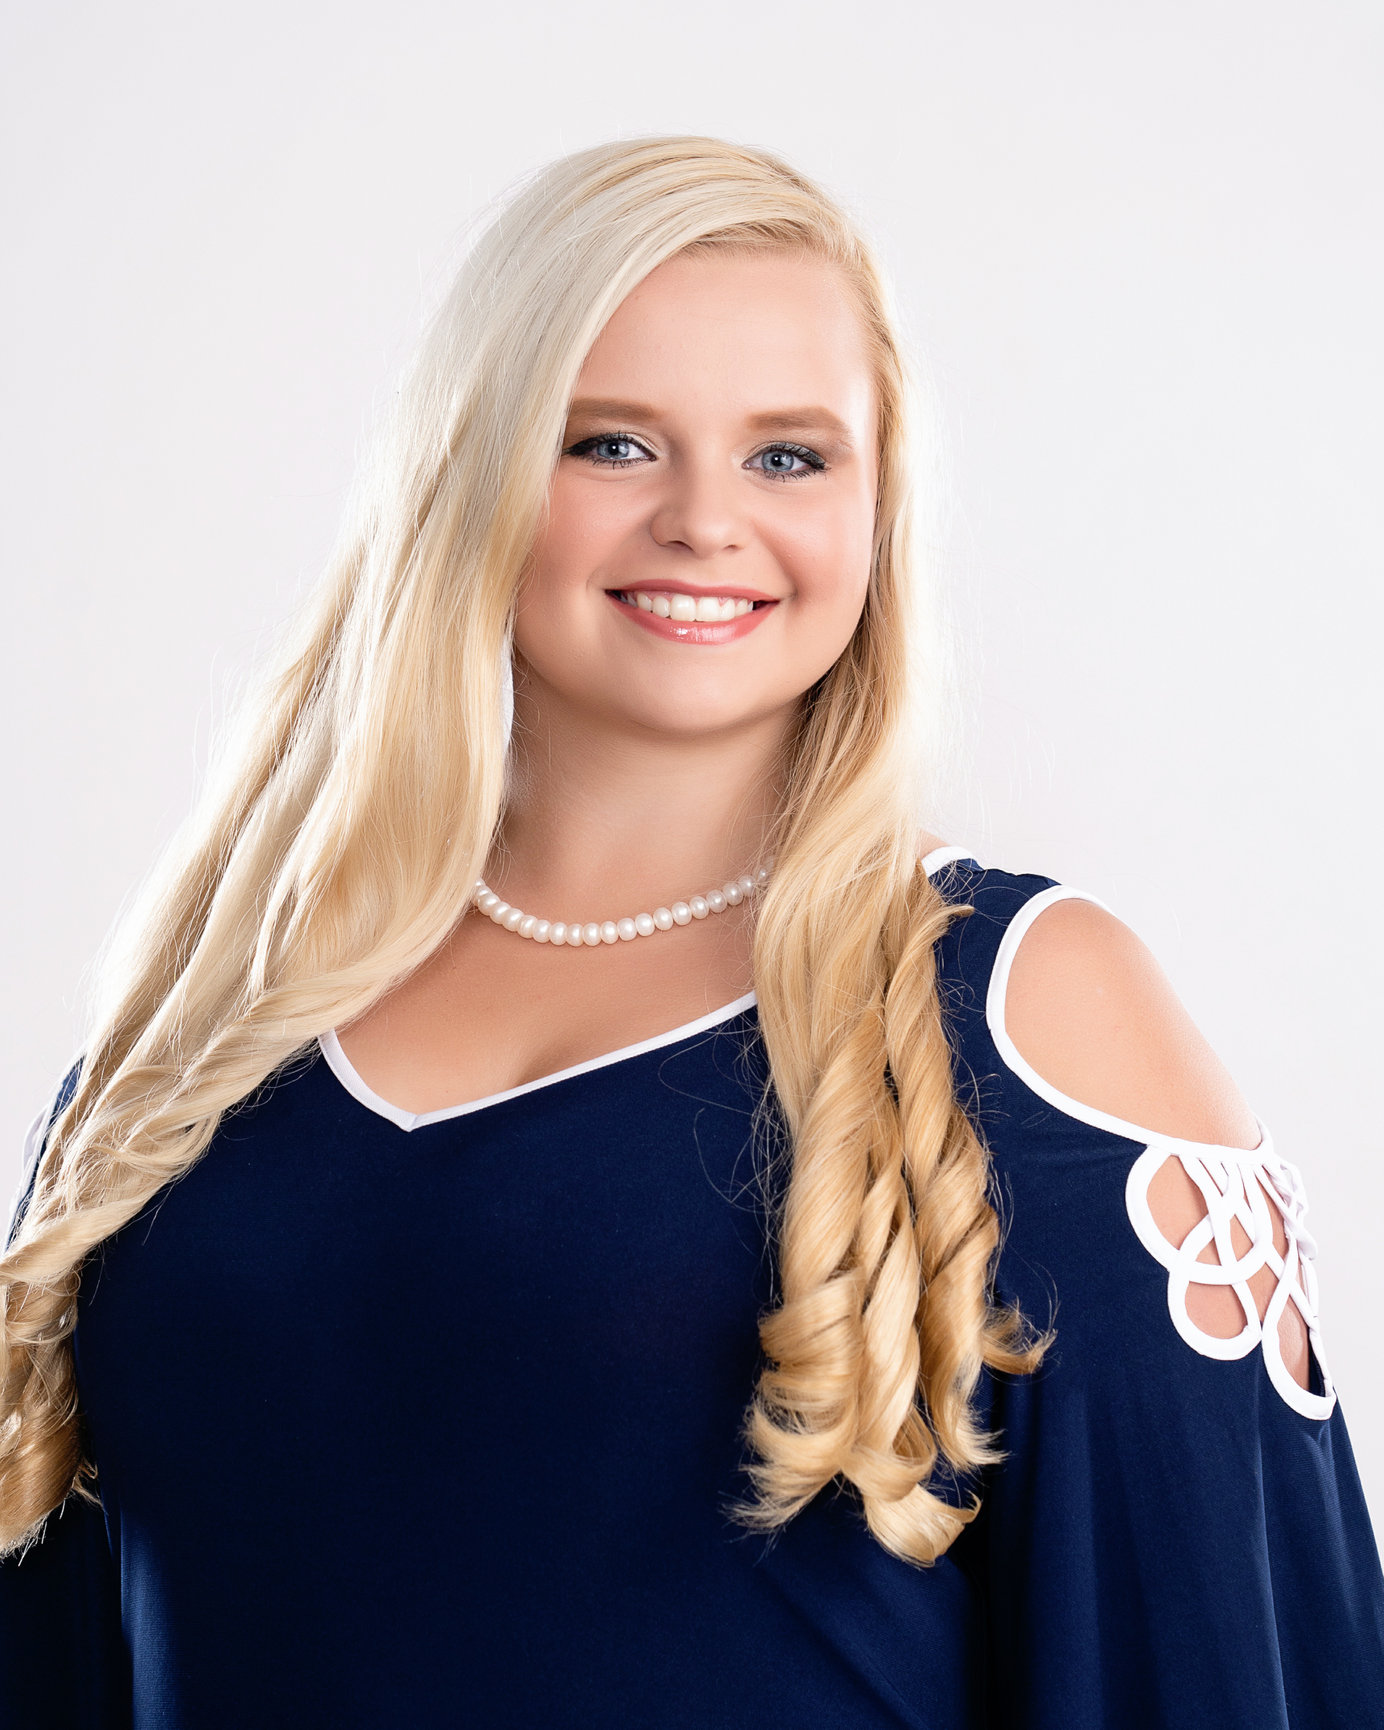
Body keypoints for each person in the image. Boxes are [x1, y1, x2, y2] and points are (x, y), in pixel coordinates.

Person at [1, 134, 1380, 1729]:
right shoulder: (208, 1019)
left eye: (789, 456)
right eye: (610, 445)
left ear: (881, 505)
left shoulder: (1026, 1011)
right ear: (471, 471)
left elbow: (1223, 1671)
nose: (705, 521)